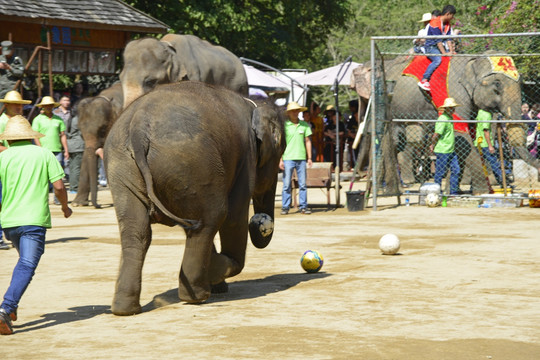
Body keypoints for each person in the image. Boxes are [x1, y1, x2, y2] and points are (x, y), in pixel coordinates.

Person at [0, 115, 72, 335]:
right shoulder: (44, 154)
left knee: (24, 264)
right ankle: (6, 308)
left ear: (8, 140)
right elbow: (59, 187)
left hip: (9, 223)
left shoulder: (3, 158)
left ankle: (11, 308)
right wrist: (65, 207)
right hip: (34, 220)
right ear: (30, 137)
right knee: (27, 265)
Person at [0, 90, 31, 250]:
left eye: (20, 104)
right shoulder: (2, 121)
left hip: (17, 166)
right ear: (6, 105)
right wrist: (14, 152)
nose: (19, 107)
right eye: (16, 104)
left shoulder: (21, 121)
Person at [280, 102, 313, 215]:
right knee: (286, 184)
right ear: (288, 113)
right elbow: (280, 143)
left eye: (297, 110)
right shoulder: (284, 126)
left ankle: (304, 206)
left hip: (301, 158)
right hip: (288, 157)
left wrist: (310, 157)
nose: (295, 112)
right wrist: (280, 159)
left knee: (303, 184)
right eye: (293, 111)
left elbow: (308, 141)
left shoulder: (304, 125)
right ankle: (285, 206)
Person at [417, 5, 457, 92]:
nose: (453, 18)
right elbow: (438, 41)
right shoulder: (435, 23)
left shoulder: (447, 25)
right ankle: (424, 79)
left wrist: (451, 51)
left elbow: (449, 38)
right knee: (437, 60)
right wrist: (444, 53)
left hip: (438, 47)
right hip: (430, 47)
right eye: (452, 16)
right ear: (448, 14)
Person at [429, 97, 461, 194]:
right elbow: (436, 134)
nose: (453, 109)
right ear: (446, 108)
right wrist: (432, 144)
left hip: (450, 149)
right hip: (443, 150)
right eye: (451, 107)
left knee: (456, 170)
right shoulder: (443, 119)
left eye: (453, 107)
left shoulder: (450, 118)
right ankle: (437, 192)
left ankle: (453, 192)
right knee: (440, 172)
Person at [474, 109, 503, 186]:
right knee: (494, 163)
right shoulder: (486, 115)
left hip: (478, 142)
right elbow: (486, 131)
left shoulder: (480, 112)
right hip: (485, 144)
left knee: (480, 165)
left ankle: (475, 184)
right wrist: (490, 145)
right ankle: (502, 181)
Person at [64, 101, 85, 193]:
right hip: (79, 145)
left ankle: (73, 186)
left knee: (72, 167)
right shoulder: (78, 120)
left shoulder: (69, 119)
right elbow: (82, 133)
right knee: (77, 168)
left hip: (70, 145)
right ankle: (75, 188)